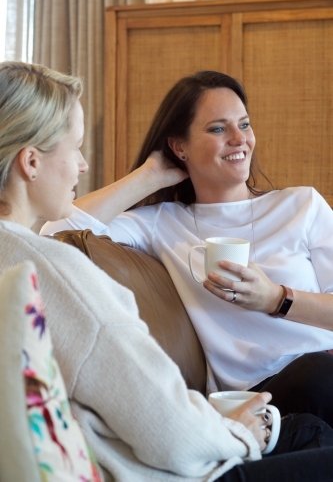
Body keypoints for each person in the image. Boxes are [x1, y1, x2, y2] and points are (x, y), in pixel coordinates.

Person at [2, 63, 333, 482]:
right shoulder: (161, 222)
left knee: (321, 388)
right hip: (256, 394)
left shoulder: (301, 205)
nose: (239, 140)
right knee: (319, 379)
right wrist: (150, 175)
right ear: (180, 146)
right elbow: (57, 231)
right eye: (217, 129)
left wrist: (278, 299)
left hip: (318, 373)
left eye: (244, 125)